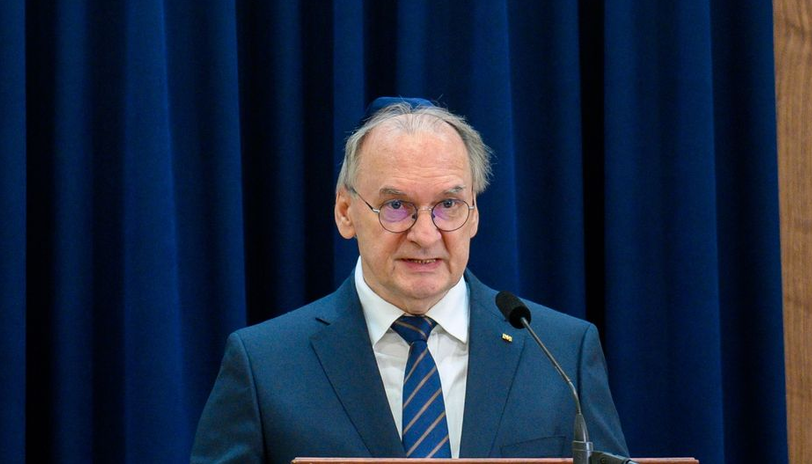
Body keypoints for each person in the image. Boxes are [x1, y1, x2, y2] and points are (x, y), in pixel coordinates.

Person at [191, 99, 628, 462]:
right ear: (345, 212)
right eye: (396, 205)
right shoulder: (264, 364)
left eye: (448, 205)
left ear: (474, 213)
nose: (425, 234)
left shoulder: (561, 354)